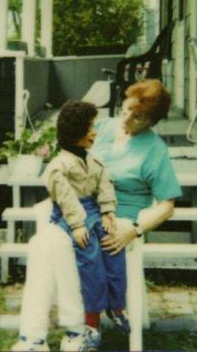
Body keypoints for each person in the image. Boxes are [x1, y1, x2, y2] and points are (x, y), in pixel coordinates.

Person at [12, 79, 182, 352]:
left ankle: (80, 329)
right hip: (79, 212)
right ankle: (33, 338)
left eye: (138, 117)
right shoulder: (101, 128)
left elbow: (167, 206)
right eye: (125, 109)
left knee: (68, 249)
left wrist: (135, 229)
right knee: (40, 245)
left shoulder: (155, 150)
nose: (126, 118)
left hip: (119, 221)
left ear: (152, 122)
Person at [45, 101, 130, 347]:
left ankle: (116, 306)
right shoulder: (59, 166)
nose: (95, 132)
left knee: (113, 245)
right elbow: (66, 198)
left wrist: (108, 211)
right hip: (70, 215)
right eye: (90, 128)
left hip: (94, 211)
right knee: (90, 257)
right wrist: (77, 225)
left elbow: (105, 184)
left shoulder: (94, 159)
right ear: (77, 132)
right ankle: (92, 321)